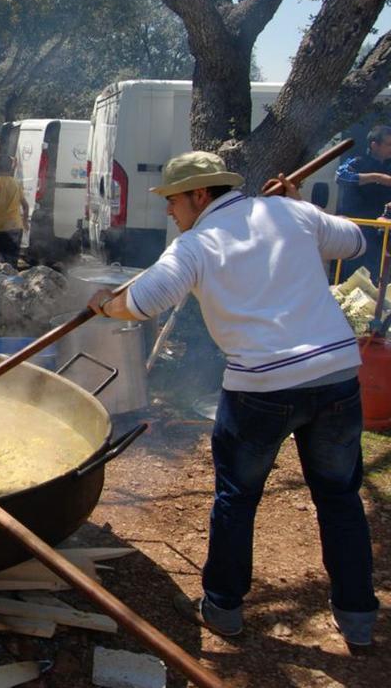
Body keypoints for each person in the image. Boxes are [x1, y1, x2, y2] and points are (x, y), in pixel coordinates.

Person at [87, 151, 377, 648]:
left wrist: (104, 303)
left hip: (261, 388)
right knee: (340, 498)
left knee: (237, 500)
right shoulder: (290, 212)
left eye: (173, 200)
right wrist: (298, 206)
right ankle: (357, 617)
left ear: (201, 195)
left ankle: (223, 608)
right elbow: (352, 241)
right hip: (334, 377)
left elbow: (140, 302)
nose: (169, 211)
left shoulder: (195, 244)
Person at [335, 124, 391, 279]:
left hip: (382, 232)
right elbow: (340, 177)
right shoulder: (357, 161)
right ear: (374, 145)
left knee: (379, 276)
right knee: (352, 275)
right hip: (357, 228)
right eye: (388, 144)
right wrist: (376, 177)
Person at [0, 153, 29, 267]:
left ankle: (3, 283)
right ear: (10, 167)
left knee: (1, 263)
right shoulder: (16, 183)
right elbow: (25, 206)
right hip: (16, 226)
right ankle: (13, 282)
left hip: (0, 226)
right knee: (13, 262)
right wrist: (25, 222)